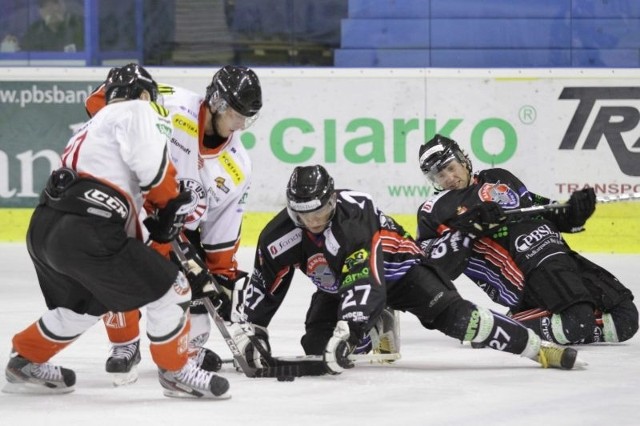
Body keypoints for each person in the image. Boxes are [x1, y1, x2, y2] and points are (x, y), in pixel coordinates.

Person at [2, 64, 229, 398]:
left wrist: (160, 238)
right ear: (142, 94)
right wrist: (170, 204)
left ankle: (26, 358)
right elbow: (153, 171)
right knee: (174, 287)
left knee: (86, 306)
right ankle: (176, 371)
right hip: (88, 229)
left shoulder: (94, 125)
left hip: (46, 228)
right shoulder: (138, 109)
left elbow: (122, 207)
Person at [239, 164, 582, 374]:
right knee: (318, 346)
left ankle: (538, 349)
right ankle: (379, 323)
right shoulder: (278, 235)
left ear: (332, 200)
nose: (312, 222)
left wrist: (351, 330)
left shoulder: (355, 215)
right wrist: (253, 331)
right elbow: (264, 285)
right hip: (343, 286)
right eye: (303, 215)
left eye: (320, 211)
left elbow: (366, 280)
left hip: (400, 271)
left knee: (462, 320)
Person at [84, 64, 262, 384]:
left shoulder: (237, 166)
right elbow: (101, 101)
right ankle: (125, 344)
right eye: (238, 115)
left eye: (248, 118)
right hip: (136, 207)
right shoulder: (173, 103)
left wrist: (220, 277)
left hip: (181, 233)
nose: (241, 125)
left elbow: (222, 231)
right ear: (219, 103)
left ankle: (184, 351)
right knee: (117, 270)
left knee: (194, 308)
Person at [415, 134, 638, 346]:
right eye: (439, 175)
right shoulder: (434, 211)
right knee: (577, 322)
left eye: (450, 168)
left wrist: (573, 213)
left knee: (626, 319)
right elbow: (431, 265)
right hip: (527, 272)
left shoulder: (499, 176)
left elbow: (538, 206)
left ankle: (528, 320)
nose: (449, 179)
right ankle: (491, 328)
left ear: (463, 160)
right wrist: (469, 230)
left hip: (561, 256)